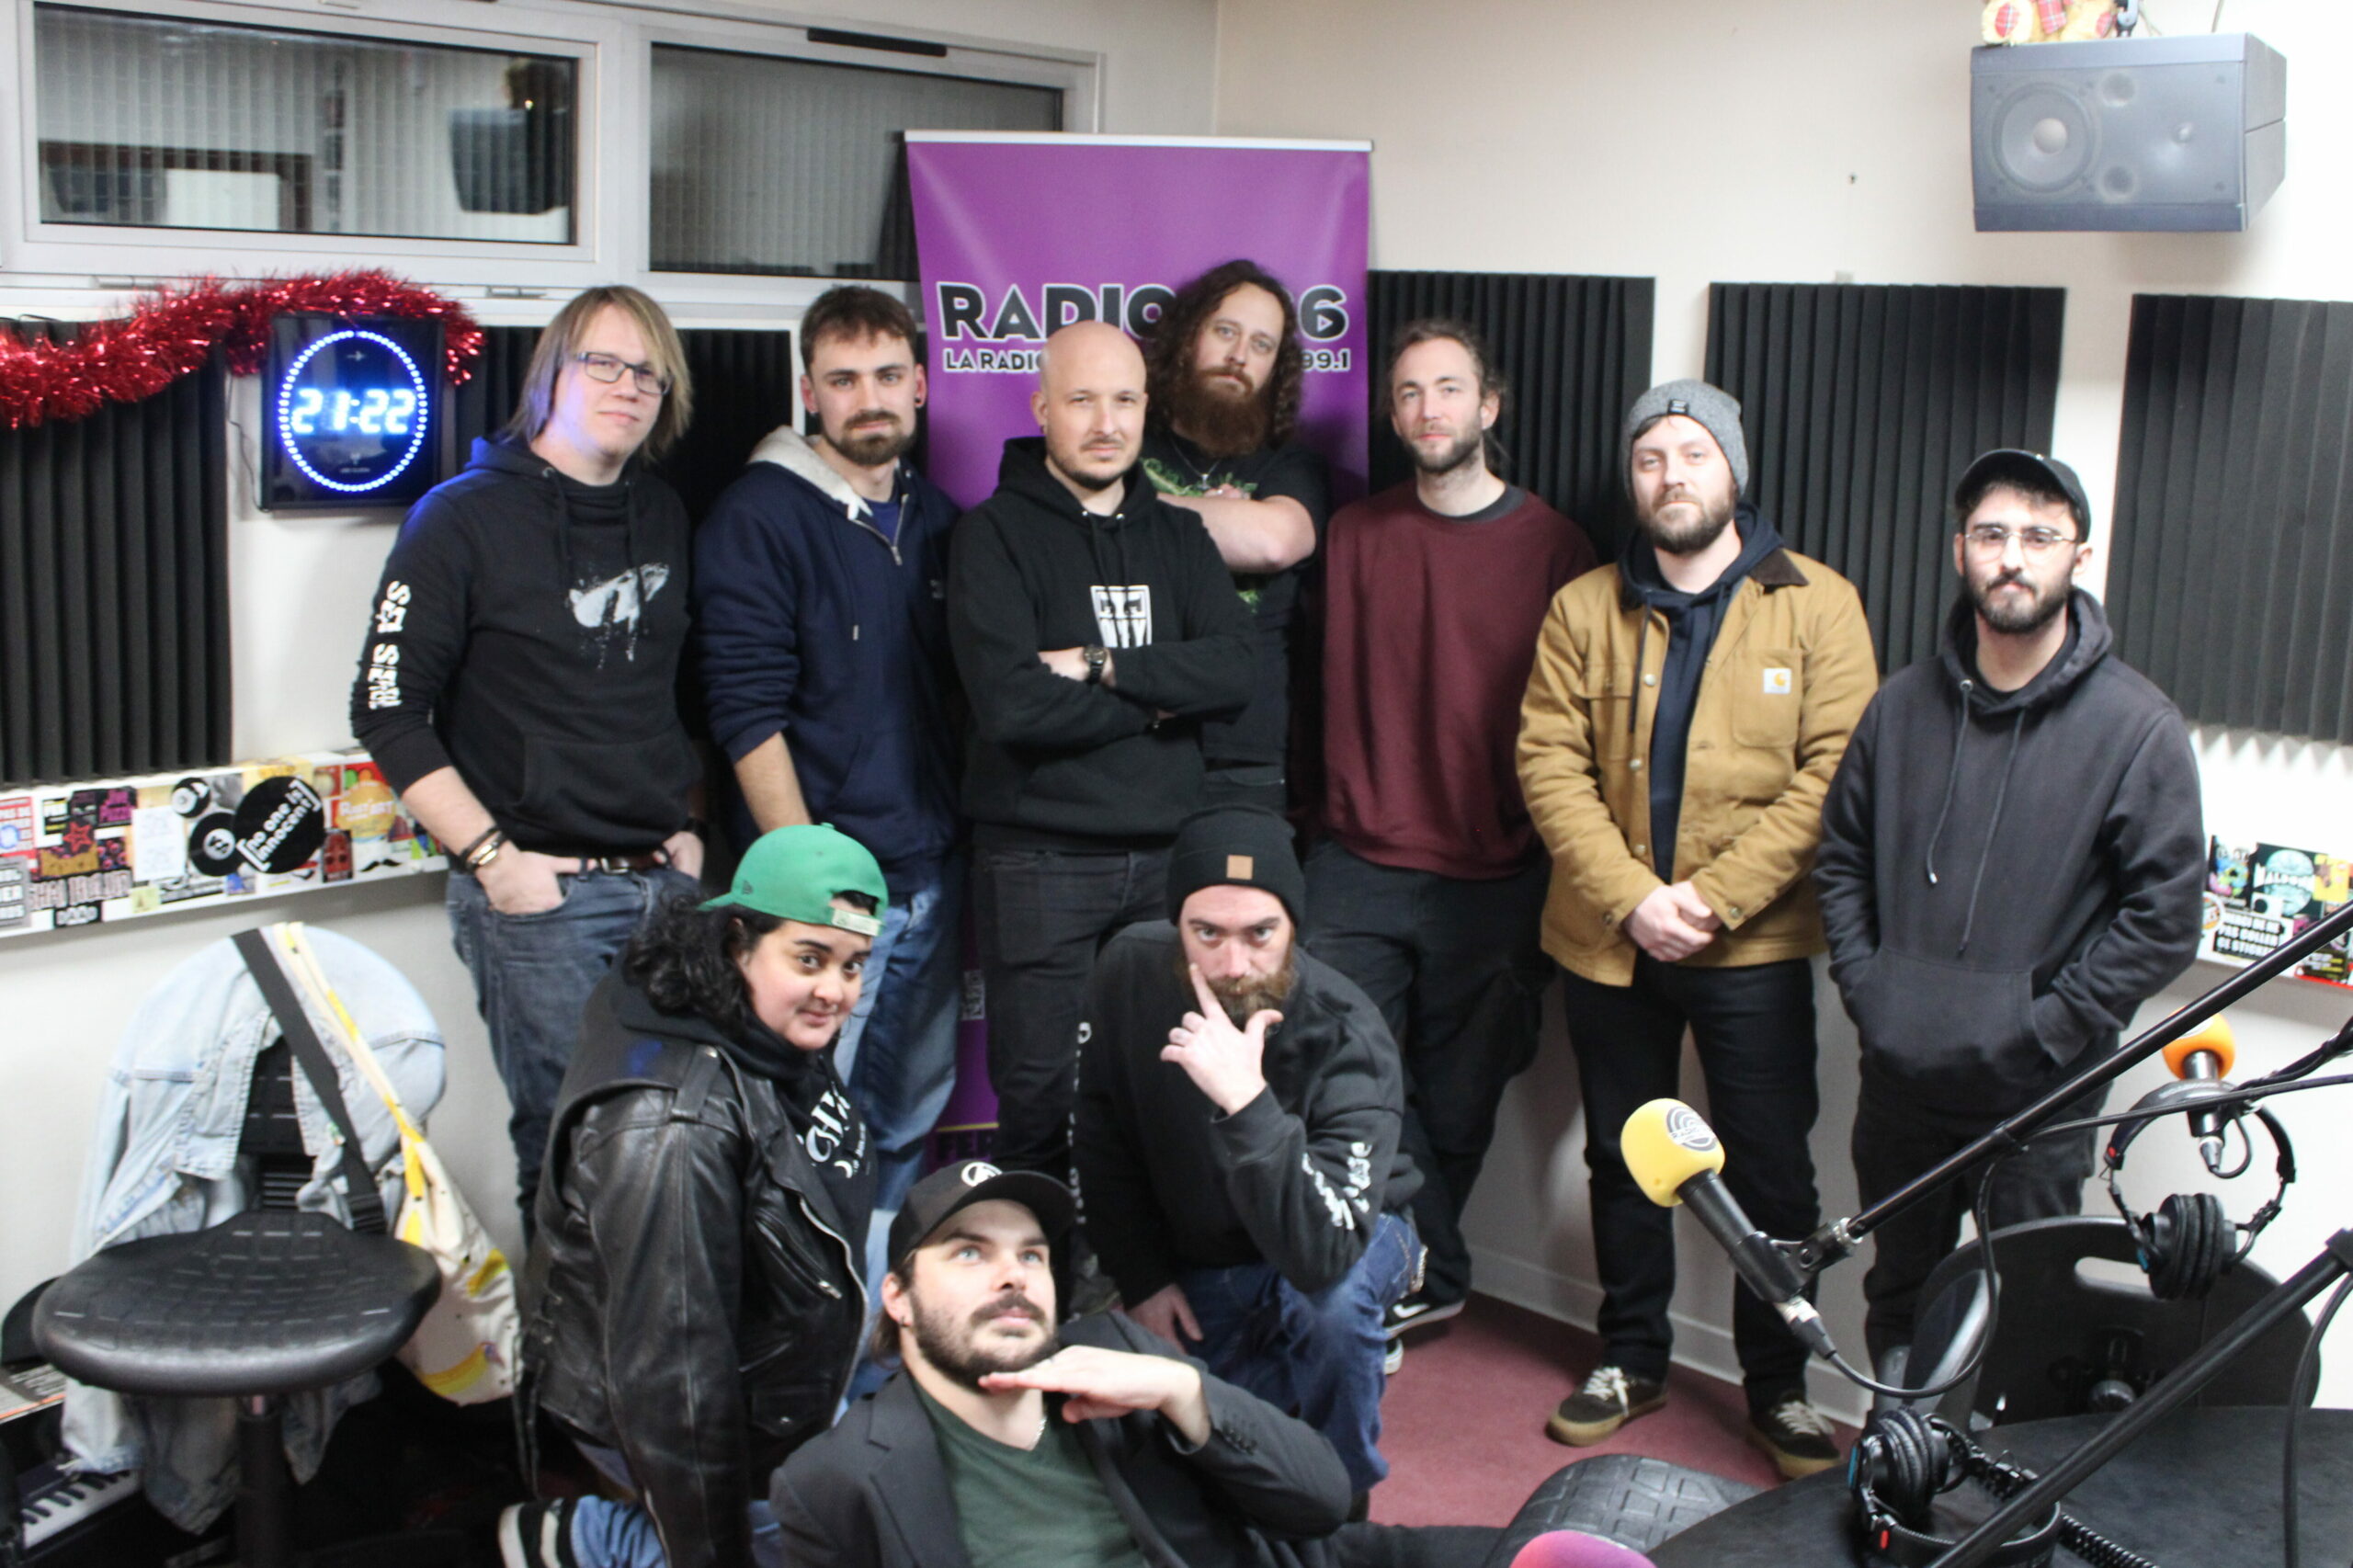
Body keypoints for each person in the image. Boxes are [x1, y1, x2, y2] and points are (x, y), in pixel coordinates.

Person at [1518, 379, 1876, 1478]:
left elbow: (1834, 775)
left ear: (1733, 468)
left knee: (1773, 1175)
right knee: (1623, 1159)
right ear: (1632, 479)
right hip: (1609, 936)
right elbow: (1547, 761)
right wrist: (1634, 896)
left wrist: (1710, 899)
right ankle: (1630, 1357)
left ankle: (1779, 1387)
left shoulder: (1818, 604)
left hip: (1753, 945)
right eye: (1650, 458)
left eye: (1693, 454)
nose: (1671, 476)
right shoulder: (1582, 607)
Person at [1814, 449, 2204, 1374]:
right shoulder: (1899, 708)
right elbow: (1840, 860)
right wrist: (1873, 990)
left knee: (2021, 1313)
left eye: (2039, 535)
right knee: (1900, 1294)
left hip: (2040, 1097)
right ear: (1960, 551)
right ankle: (1893, 1448)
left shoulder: (2137, 727)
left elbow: (2163, 917)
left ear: (2080, 557)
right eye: (1991, 534)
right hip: (1902, 1082)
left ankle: (1984, 1469)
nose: (2013, 557)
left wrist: (2046, 1028)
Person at [352, 284, 703, 1226]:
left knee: (673, 1146)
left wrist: (688, 825)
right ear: (550, 374)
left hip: (662, 888)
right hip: (541, 903)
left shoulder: (663, 511)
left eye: (649, 373)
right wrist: (493, 861)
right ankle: (561, 1331)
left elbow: (675, 688)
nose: (628, 387)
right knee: (571, 1158)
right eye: (604, 363)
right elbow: (386, 710)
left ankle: (651, 1327)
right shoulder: (457, 518)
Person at [1303, 320, 1595, 1345]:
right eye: (1409, 393)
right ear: (1392, 416)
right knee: (1338, 1071)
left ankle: (1408, 1267)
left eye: (1449, 388)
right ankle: (1430, 1267)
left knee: (1462, 1101)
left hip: (1496, 872)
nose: (1429, 409)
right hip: (1356, 858)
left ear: (1489, 406)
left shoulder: (1556, 547)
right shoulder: (1354, 535)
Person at [500, 825, 885, 1568]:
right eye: (809, 958)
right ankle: (590, 1539)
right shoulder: (676, 1131)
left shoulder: (742, 1010)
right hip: (693, 1414)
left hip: (765, 1332)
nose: (835, 991)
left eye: (853, 965)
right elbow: (672, 1386)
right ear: (739, 940)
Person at [695, 284, 963, 1282]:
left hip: (931, 873)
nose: (869, 399)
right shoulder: (758, 517)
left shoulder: (937, 517)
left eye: (888, 375)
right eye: (843, 380)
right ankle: (797, 1335)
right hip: (836, 897)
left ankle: (874, 1314)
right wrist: (815, 892)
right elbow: (744, 712)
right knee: (801, 1127)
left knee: (905, 1116)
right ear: (809, 391)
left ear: (921, 384)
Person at [949, 321, 1255, 1178]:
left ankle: (1141, 1266)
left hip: (1167, 861)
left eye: (1124, 400)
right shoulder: (992, 535)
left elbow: (1235, 670)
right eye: (1082, 400)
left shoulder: (1180, 537)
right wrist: (1163, 705)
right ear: (1042, 408)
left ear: (1146, 408)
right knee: (1040, 1098)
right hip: (1038, 862)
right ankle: (1039, 1262)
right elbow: (1013, 706)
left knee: (1168, 1094)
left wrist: (1099, 665)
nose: (1106, 422)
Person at [1073, 805, 1419, 1497]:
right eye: (1207, 933)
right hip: (1208, 1250)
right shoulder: (1128, 969)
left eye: (1261, 933)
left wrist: (1247, 1103)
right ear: (1176, 926)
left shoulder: (1348, 1030)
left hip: (1350, 1231)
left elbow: (1323, 1254)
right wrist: (1142, 1279)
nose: (1234, 966)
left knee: (1328, 1307)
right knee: (1201, 1456)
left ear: (1294, 927)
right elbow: (1101, 1134)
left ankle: (1341, 1500)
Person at [1139, 260, 1332, 812]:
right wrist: (1220, 520)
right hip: (1128, 741)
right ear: (1187, 336)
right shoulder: (1126, 445)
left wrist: (1133, 516)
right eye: (1225, 331)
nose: (1239, 356)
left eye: (1261, 345)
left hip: (1241, 759)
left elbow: (1273, 542)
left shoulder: (1290, 466)